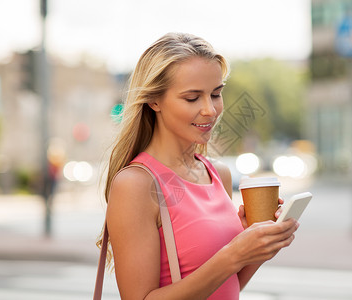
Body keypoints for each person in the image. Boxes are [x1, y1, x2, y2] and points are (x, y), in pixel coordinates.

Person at [100, 32, 299, 299]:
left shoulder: (218, 174)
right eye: (192, 98)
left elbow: (227, 286)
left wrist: (256, 250)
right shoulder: (136, 184)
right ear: (154, 100)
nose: (210, 110)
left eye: (216, 94)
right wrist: (233, 253)